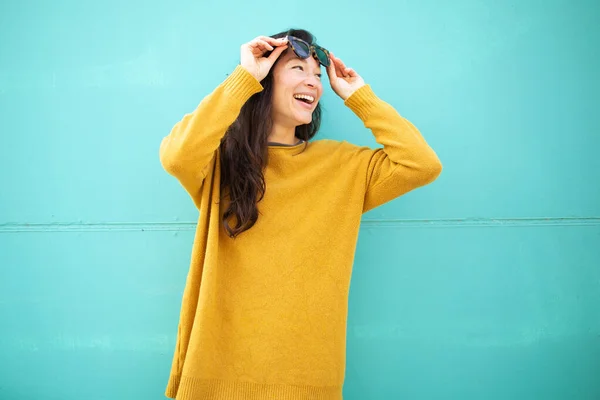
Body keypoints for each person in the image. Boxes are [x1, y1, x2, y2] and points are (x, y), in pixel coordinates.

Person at [159, 28, 442, 400]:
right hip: (217, 376)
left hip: (308, 380)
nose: (313, 82)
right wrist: (244, 77)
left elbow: (421, 165)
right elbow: (176, 155)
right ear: (265, 78)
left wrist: (360, 98)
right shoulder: (221, 162)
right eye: (298, 69)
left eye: (318, 76)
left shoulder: (343, 167)